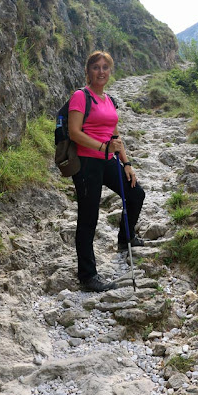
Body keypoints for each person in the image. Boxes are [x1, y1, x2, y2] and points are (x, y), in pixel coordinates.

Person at [68, 50, 145, 292]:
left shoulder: (109, 100)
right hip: (86, 163)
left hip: (109, 159)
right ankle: (88, 276)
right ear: (88, 71)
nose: (101, 71)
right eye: (96, 67)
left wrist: (127, 163)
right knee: (89, 218)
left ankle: (125, 238)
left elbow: (114, 133)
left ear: (110, 71)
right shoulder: (81, 97)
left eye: (105, 67)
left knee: (136, 194)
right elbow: (75, 132)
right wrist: (103, 147)